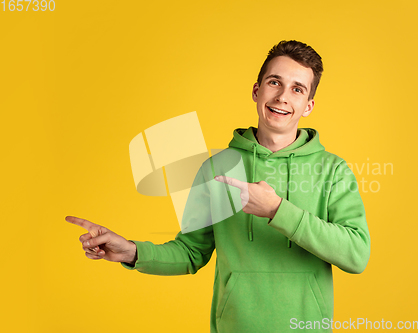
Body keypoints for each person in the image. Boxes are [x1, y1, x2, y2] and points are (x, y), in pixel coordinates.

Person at [67, 40, 371, 333]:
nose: (282, 97)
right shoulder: (217, 168)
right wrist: (132, 253)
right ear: (256, 90)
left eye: (297, 89)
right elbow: (190, 252)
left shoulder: (333, 170)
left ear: (308, 105)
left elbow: (356, 255)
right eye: (274, 82)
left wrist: (277, 210)